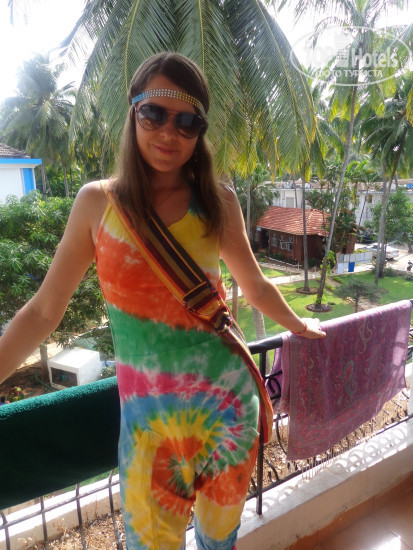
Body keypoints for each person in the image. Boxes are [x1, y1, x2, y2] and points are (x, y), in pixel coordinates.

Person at [0, 52, 326, 550]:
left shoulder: (218, 202)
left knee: (219, 542)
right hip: (149, 433)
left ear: (199, 132)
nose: (169, 132)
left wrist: (298, 324)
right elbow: (45, 311)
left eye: (186, 121)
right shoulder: (97, 204)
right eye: (154, 113)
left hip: (227, 411)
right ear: (133, 113)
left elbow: (256, 286)